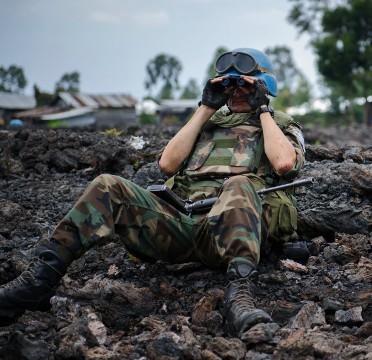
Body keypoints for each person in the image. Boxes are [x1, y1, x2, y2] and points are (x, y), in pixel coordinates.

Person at [0, 48, 306, 337]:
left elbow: (283, 163)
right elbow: (168, 163)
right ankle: (39, 281)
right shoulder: (208, 123)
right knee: (107, 185)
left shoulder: (279, 125)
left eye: (244, 86)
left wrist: (263, 107)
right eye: (230, 86)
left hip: (231, 234)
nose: (236, 91)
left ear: (264, 85)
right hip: (183, 225)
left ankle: (240, 295)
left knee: (240, 184)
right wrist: (206, 107)